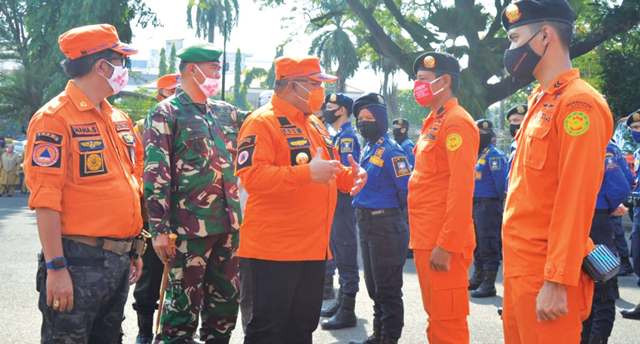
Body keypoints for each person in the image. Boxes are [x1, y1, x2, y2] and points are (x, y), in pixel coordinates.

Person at [24, 23, 145, 343]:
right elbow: (46, 200)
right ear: (102, 66)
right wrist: (56, 267)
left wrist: (134, 249)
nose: (124, 70)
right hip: (76, 262)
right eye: (122, 62)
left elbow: (132, 184)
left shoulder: (119, 119)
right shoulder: (54, 119)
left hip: (117, 262)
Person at [500, 1, 613, 342]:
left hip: (545, 277)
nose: (511, 49)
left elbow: (574, 198)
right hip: (521, 271)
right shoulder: (540, 100)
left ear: (545, 36)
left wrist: (557, 281)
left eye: (515, 37)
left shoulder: (579, 104)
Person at [235, 56, 366, 344]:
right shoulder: (261, 122)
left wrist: (349, 176)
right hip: (272, 253)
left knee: (300, 330)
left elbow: (325, 169)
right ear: (294, 86)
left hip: (312, 251)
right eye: (316, 84)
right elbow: (252, 177)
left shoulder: (315, 125)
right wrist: (306, 173)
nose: (321, 91)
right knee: (267, 333)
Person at [144, 43, 243, 344]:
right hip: (188, 230)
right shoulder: (166, 112)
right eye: (214, 68)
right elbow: (155, 173)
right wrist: (159, 229)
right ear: (191, 69)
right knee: (181, 312)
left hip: (229, 227)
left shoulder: (226, 112)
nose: (218, 74)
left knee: (225, 307)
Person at [408, 51, 479, 343]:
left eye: (423, 79)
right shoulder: (434, 121)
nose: (417, 85)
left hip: (442, 242)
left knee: (448, 322)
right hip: (427, 236)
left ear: (444, 81)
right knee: (437, 317)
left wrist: (446, 244)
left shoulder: (456, 122)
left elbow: (462, 189)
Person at [347, 93, 411, 344]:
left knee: (387, 288)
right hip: (366, 222)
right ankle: (378, 335)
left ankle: (389, 338)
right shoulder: (368, 148)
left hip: (386, 225)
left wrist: (402, 226)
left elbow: (406, 190)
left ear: (381, 121)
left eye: (369, 118)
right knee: (374, 287)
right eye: (360, 118)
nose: (363, 122)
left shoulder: (392, 151)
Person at [130, 72, 179, 344]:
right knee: (149, 277)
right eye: (171, 92)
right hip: (153, 216)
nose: (176, 98)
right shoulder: (142, 127)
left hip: (187, 216)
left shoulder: (194, 123)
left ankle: (174, 332)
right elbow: (136, 170)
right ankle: (145, 332)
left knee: (182, 280)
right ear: (159, 96)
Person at [581, 141, 631, 344]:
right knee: (584, 285)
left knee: (602, 285)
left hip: (596, 221)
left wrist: (606, 206)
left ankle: (598, 338)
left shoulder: (603, 147)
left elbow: (621, 186)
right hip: (589, 218)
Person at [319, 93, 361, 330]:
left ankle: (348, 308)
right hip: (335, 200)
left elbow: (346, 173)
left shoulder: (347, 138)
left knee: (345, 251)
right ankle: (342, 300)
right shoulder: (336, 136)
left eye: (331, 106)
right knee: (336, 249)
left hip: (343, 200)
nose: (326, 109)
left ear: (343, 110)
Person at [470, 119, 508, 298]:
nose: (481, 136)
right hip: (476, 203)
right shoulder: (477, 154)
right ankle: (478, 277)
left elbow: (501, 184)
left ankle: (489, 282)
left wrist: (501, 203)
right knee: (477, 243)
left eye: (484, 133)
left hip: (489, 205)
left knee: (488, 243)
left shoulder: (495, 155)